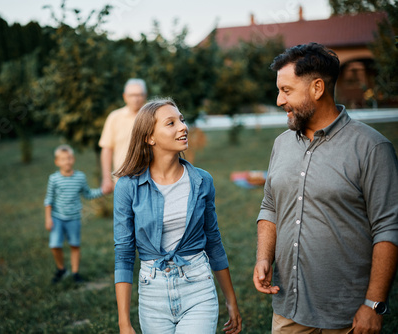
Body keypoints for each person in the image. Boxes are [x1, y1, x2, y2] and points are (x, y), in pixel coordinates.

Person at [253, 42, 398, 333]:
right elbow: (270, 206)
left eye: (287, 90)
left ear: (317, 88)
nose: (280, 100)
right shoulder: (281, 144)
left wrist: (373, 304)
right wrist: (263, 257)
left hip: (347, 315)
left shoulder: (372, 147)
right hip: (288, 309)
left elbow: (388, 227)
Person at [113, 98, 242, 334]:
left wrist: (230, 300)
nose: (183, 127)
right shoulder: (127, 187)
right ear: (150, 137)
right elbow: (124, 254)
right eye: (170, 123)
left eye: (181, 120)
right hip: (153, 296)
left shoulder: (202, 181)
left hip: (198, 289)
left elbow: (213, 242)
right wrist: (124, 322)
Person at [44, 144, 109, 284]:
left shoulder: (80, 177)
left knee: (74, 245)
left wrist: (103, 191)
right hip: (57, 218)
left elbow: (88, 194)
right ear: (57, 162)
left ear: (73, 159)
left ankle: (75, 273)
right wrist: (48, 218)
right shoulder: (53, 179)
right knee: (55, 245)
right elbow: (48, 199)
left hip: (74, 218)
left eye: (68, 158)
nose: (66, 161)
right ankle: (61, 269)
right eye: (62, 159)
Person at [99, 78, 147, 194]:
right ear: (125, 96)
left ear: (145, 96)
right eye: (132, 95)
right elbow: (107, 149)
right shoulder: (114, 117)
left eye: (139, 95)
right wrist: (106, 179)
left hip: (148, 179)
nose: (136, 99)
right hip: (122, 180)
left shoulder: (151, 117)